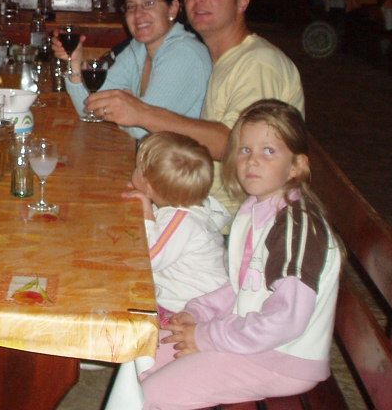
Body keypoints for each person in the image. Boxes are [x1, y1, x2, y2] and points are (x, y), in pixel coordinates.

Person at [140, 100, 341, 409]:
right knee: (142, 355)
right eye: (245, 150)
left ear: (296, 166)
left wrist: (207, 337)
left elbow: (286, 320)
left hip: (280, 358)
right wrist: (199, 312)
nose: (252, 161)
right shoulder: (256, 209)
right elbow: (244, 285)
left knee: (152, 395)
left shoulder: (295, 229)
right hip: (250, 338)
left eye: (268, 151)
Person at [85, 0, 303, 215]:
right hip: (193, 197)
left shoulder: (258, 63)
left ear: (242, 2)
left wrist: (143, 113)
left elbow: (235, 145)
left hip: (233, 217)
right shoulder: (215, 58)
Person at [57, 0, 212, 140]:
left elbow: (143, 131)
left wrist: (122, 111)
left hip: (176, 157)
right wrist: (75, 63)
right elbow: (88, 108)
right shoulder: (138, 49)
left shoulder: (184, 55)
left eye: (149, 3)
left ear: (172, 9)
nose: (138, 14)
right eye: (131, 7)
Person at [122, 132, 230, 319]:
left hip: (187, 310)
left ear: (148, 186)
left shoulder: (182, 220)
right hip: (182, 300)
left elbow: (148, 258)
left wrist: (146, 211)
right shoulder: (182, 207)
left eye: (137, 168)